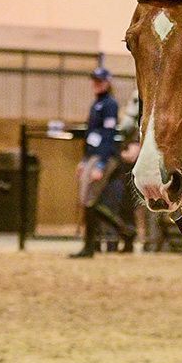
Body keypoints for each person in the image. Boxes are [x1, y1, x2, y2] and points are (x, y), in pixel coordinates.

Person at [71, 67, 133, 257]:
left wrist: (100, 164)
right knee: (89, 202)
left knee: (90, 201)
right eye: (94, 80)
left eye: (100, 80)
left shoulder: (110, 105)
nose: (96, 84)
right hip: (93, 155)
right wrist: (85, 160)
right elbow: (91, 135)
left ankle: (90, 246)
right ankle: (126, 232)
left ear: (107, 82)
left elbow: (107, 135)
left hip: (104, 156)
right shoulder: (96, 104)